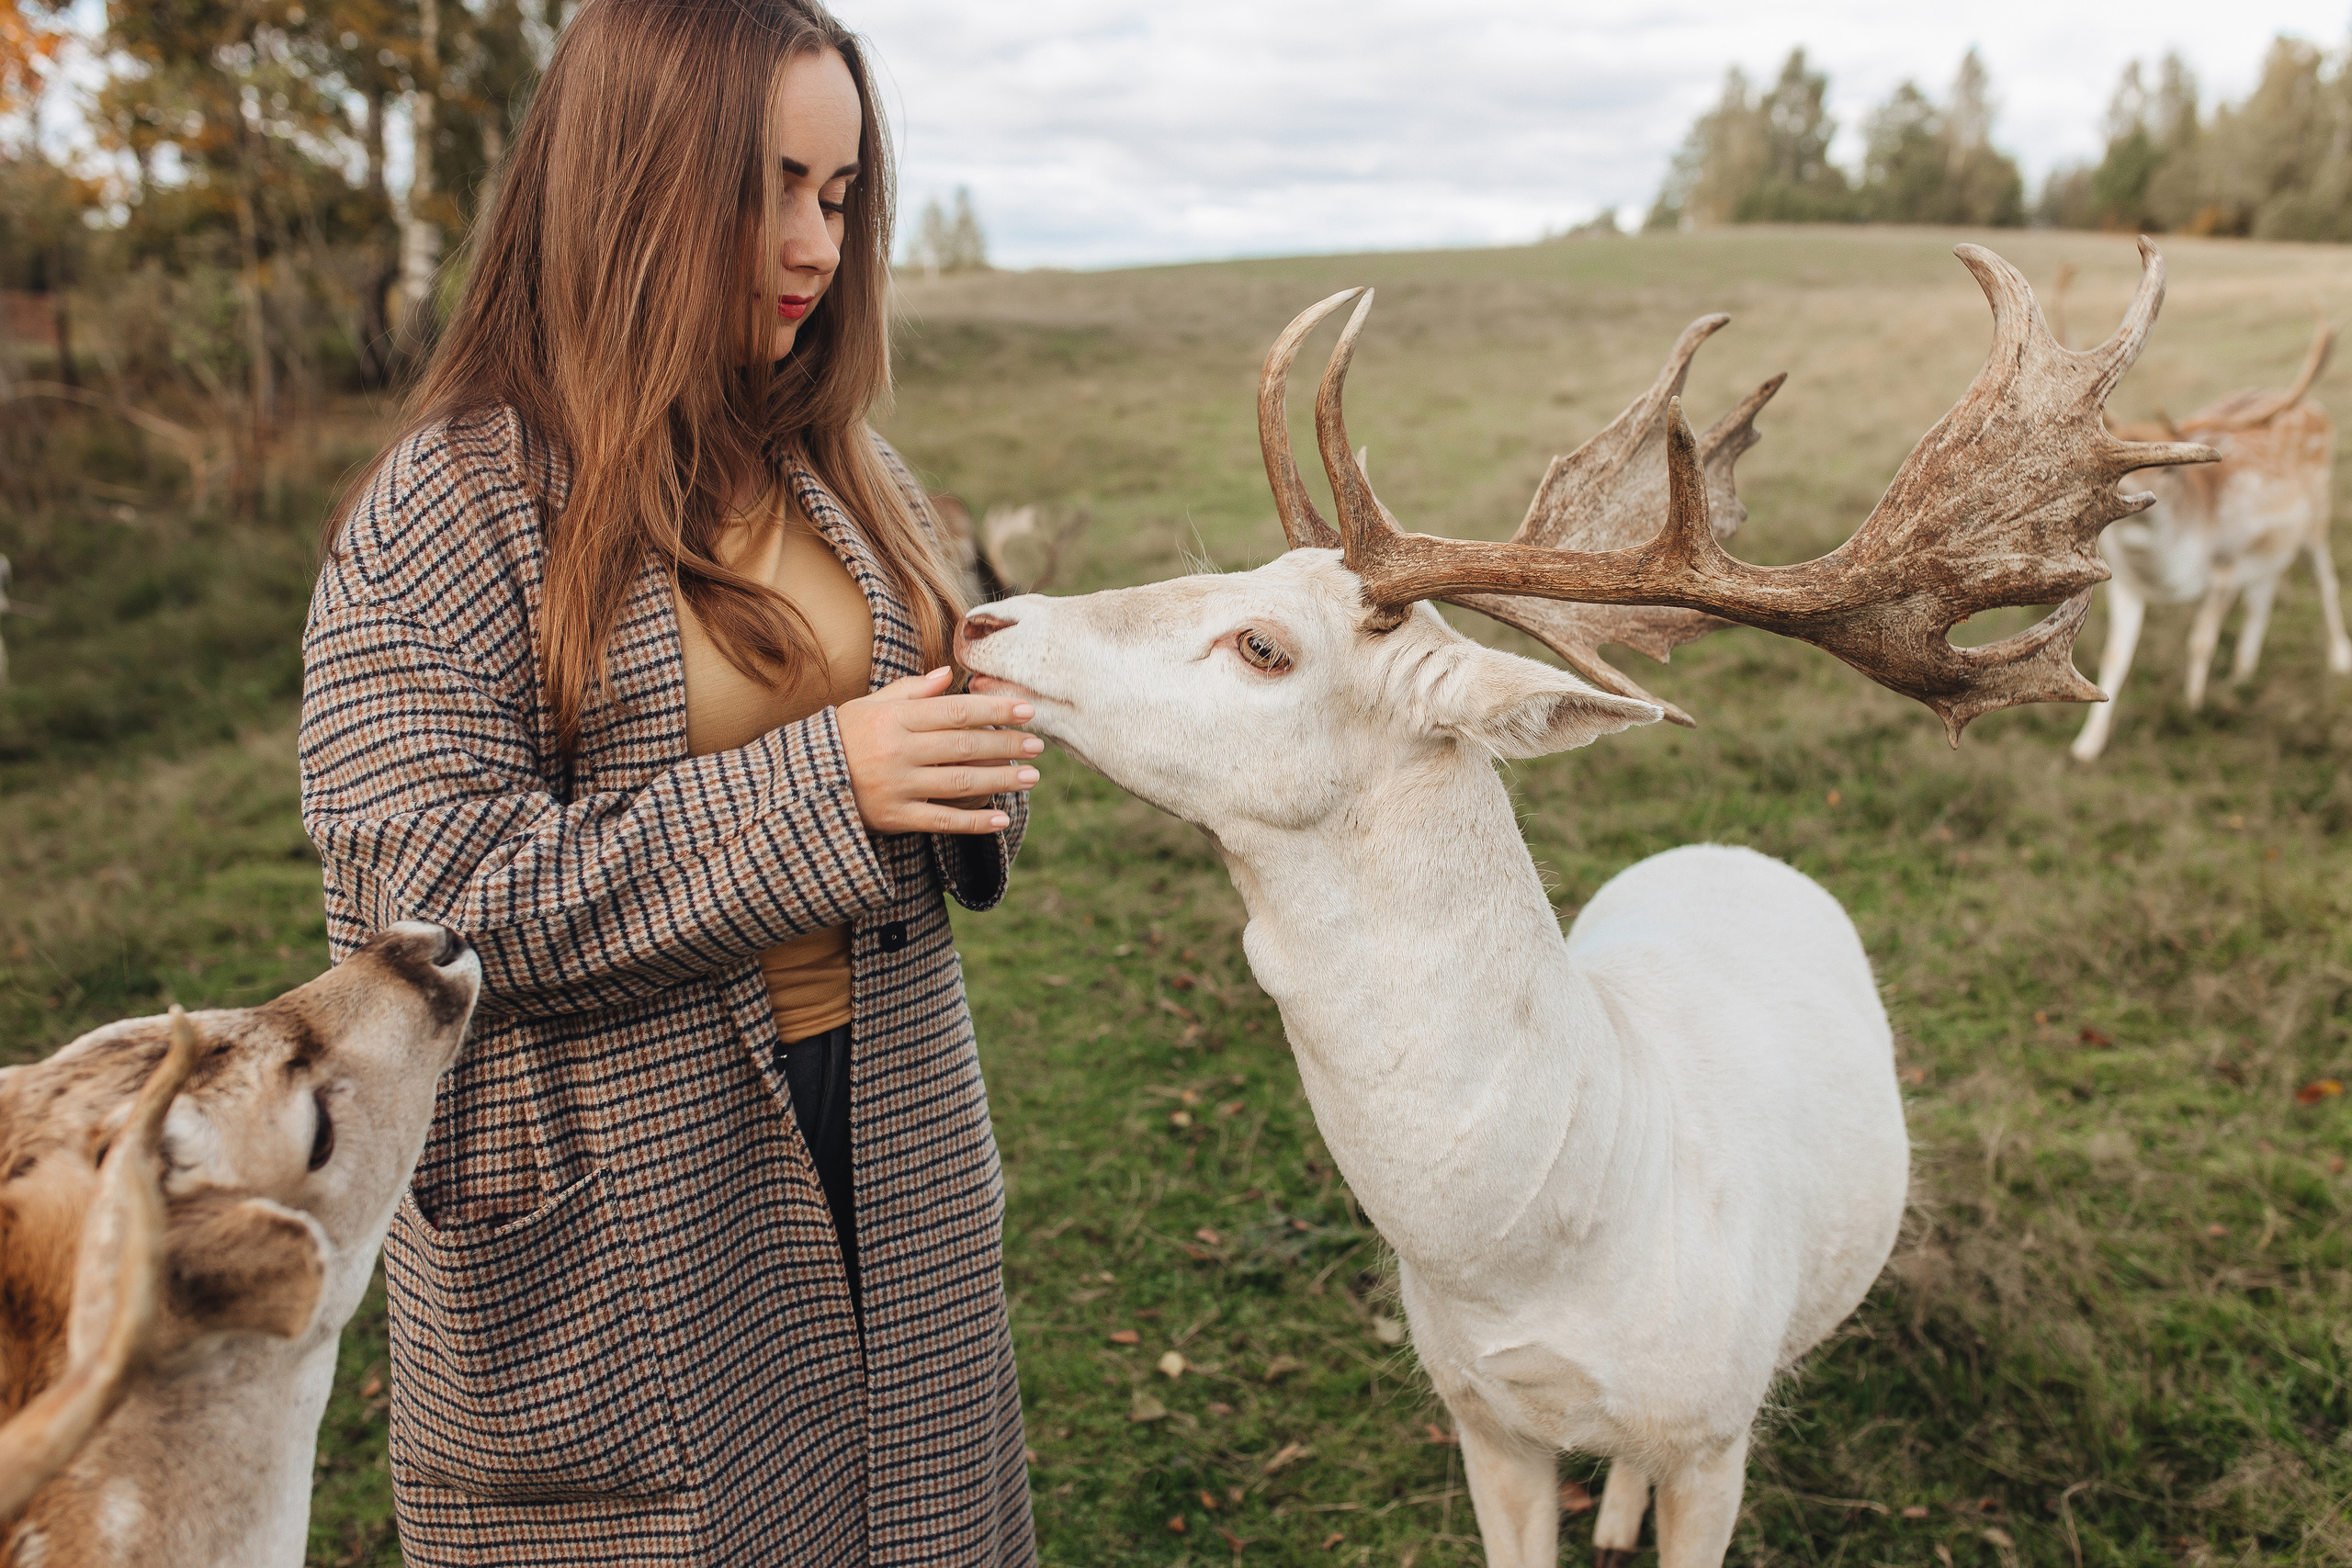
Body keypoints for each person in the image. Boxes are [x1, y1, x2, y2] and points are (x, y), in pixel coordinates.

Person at [298, 3, 1040, 1562]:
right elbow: (429, 907)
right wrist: (833, 784)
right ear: (633, 183)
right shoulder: (446, 506)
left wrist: (970, 752)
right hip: (632, 1198)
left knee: (912, 1521)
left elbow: (938, 774)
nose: (818, 244)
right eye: (773, 187)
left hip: (893, 1115)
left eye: (840, 195)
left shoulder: (841, 463)